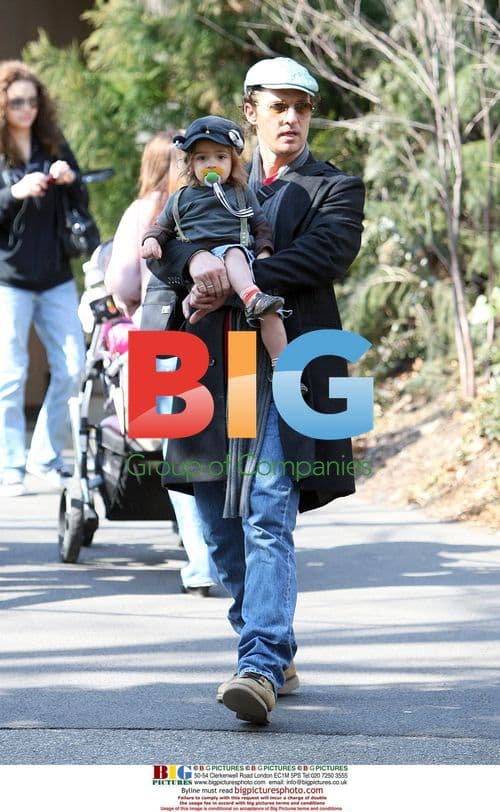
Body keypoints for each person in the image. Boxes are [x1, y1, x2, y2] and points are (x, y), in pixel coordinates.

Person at [144, 57, 365, 724]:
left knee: (269, 505)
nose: (292, 117)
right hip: (213, 365)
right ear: (251, 111)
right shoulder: (206, 175)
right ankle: (266, 636)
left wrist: (239, 270)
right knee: (213, 519)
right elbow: (168, 244)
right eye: (279, 105)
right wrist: (201, 260)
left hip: (290, 360)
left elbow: (325, 254)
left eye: (302, 105)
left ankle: (260, 663)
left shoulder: (336, 186)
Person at [105, 131, 219, 596]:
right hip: (221, 337)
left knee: (181, 450)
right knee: (227, 445)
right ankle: (230, 549)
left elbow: (123, 279)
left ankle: (200, 562)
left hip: (162, 340)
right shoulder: (219, 201)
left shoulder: (146, 211)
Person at [0, 60, 86, 497]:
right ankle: (10, 463)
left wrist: (70, 179)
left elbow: (81, 197)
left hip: (54, 273)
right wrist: (13, 193)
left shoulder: (52, 142)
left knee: (73, 366)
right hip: (9, 278)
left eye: (32, 101)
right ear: (2, 104)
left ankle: (44, 457)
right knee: (10, 373)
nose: (26, 109)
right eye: (17, 102)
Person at [142, 115, 288, 369]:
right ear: (190, 163)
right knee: (198, 311)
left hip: (240, 265)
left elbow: (260, 227)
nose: (212, 164)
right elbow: (161, 227)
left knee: (268, 312)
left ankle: (282, 364)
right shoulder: (181, 198)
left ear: (232, 161)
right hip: (202, 270)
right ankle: (195, 308)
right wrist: (152, 240)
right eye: (202, 158)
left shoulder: (242, 194)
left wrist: (264, 253)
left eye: (220, 157)